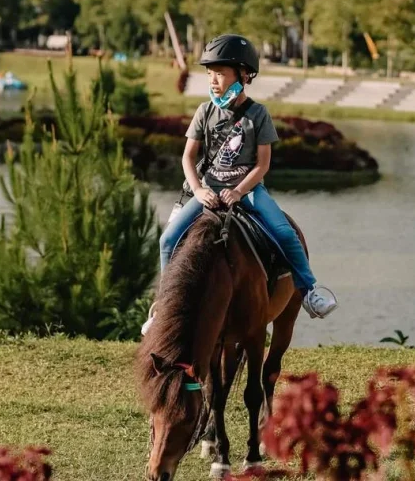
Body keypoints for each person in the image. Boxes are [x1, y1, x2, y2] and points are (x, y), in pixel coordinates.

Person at [143, 34, 337, 335]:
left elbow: (263, 165)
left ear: (244, 75)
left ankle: (310, 290)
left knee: (286, 234)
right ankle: (164, 306)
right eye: (210, 73)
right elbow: (187, 157)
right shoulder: (204, 112)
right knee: (167, 241)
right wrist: (199, 190)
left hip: (247, 191)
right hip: (207, 190)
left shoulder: (258, 115)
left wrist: (239, 190)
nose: (213, 80)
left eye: (220, 73)